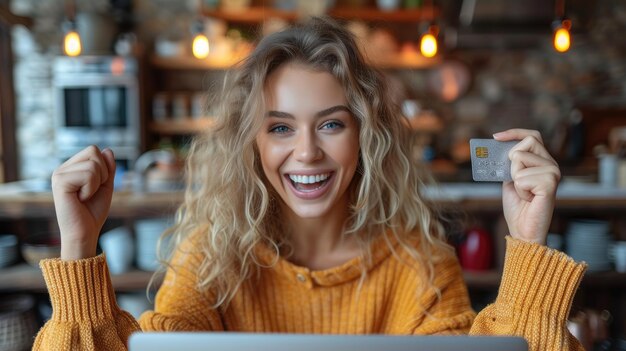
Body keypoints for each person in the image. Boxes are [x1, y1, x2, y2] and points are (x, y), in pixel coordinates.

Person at [34, 17, 585, 351]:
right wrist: (79, 250)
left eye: (330, 124)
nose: (306, 153)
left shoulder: (418, 264)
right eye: (279, 127)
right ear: (251, 141)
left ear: (364, 135)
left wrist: (529, 245)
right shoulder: (213, 258)